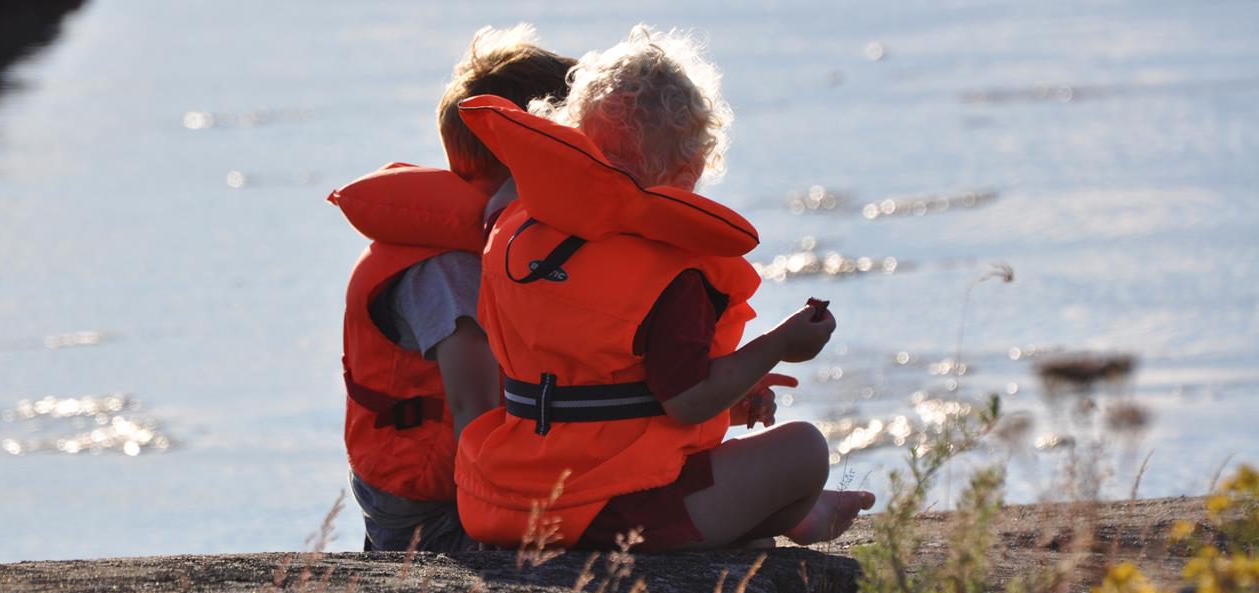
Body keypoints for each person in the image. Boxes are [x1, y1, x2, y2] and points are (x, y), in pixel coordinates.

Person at [453, 26, 874, 552]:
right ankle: (793, 514)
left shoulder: (515, 233)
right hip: (606, 513)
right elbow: (688, 402)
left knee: (747, 466)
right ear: (692, 167)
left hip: (505, 500)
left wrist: (735, 398)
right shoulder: (672, 273)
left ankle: (798, 516)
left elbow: (598, 384)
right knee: (804, 451)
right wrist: (779, 346)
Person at [329, 25, 575, 552]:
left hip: (455, 489)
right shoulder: (447, 271)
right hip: (434, 516)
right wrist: (501, 533)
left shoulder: (504, 246)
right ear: (524, 152)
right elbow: (474, 408)